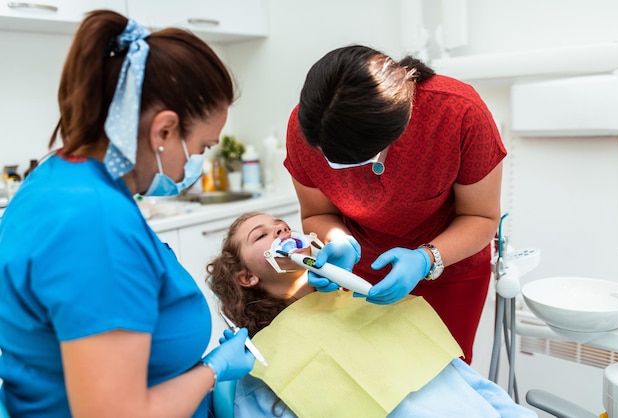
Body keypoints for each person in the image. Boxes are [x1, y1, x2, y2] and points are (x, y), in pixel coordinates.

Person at [0, 10, 255, 418]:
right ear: (164, 131)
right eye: (203, 148)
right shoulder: (94, 224)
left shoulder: (57, 175)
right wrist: (213, 370)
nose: (196, 168)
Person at [284, 45, 507, 364]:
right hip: (360, 276)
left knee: (442, 378)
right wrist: (337, 242)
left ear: (396, 130)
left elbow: (481, 216)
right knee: (370, 373)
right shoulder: (309, 128)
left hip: (450, 272)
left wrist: (425, 259)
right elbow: (318, 212)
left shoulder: (458, 112)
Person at [207, 212, 536, 417]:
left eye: (282, 226)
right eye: (261, 235)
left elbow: (465, 382)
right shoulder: (263, 361)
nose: (279, 231)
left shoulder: (364, 303)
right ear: (246, 277)